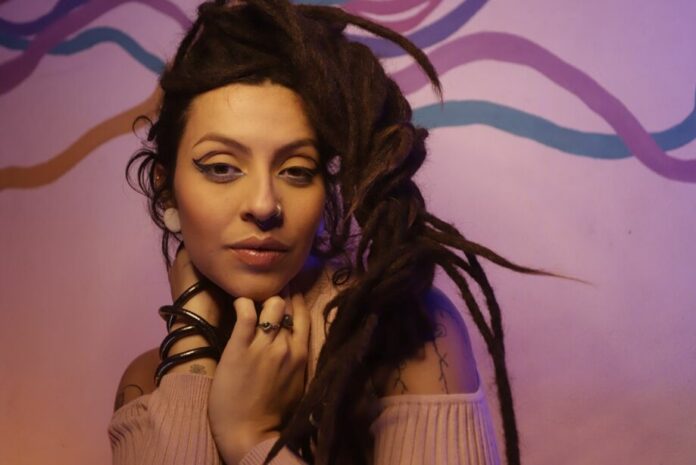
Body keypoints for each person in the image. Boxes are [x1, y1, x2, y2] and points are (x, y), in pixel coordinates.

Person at [110, 1, 556, 464]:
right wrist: (191, 343)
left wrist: (249, 437)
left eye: (296, 170)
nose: (263, 204)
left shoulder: (402, 332)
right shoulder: (147, 383)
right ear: (166, 190)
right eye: (222, 167)